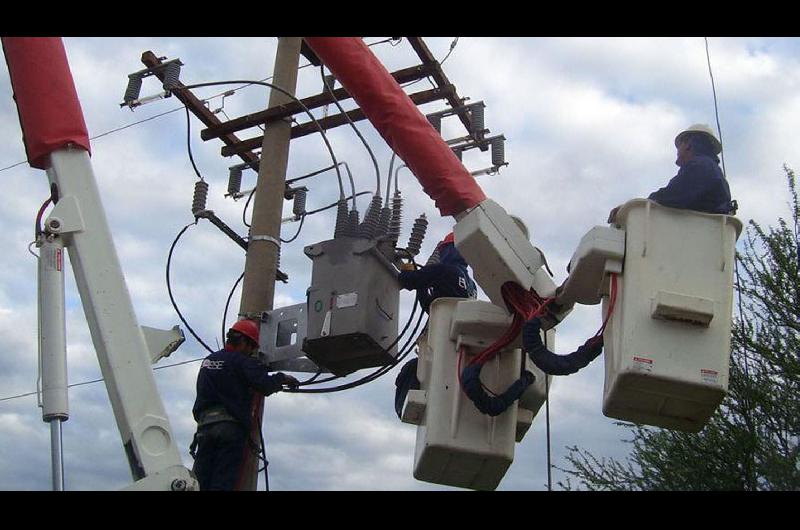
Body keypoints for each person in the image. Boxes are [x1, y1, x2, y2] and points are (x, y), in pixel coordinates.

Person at [190, 319, 299, 490]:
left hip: (204, 429)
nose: (251, 352)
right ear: (243, 342)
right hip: (229, 429)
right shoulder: (241, 361)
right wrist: (282, 378)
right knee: (222, 482)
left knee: (199, 483)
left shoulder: (208, 361)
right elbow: (264, 385)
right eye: (251, 347)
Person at [393, 233, 478, 419]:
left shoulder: (445, 270)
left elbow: (408, 280)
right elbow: (435, 308)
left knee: (409, 372)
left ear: (448, 250)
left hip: (440, 344)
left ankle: (403, 409)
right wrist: (423, 285)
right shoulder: (472, 286)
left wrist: (405, 268)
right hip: (459, 349)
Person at [609, 124, 735, 223]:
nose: (677, 151)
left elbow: (671, 196)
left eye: (679, 146)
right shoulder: (712, 170)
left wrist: (630, 210)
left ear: (688, 144)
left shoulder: (700, 166)